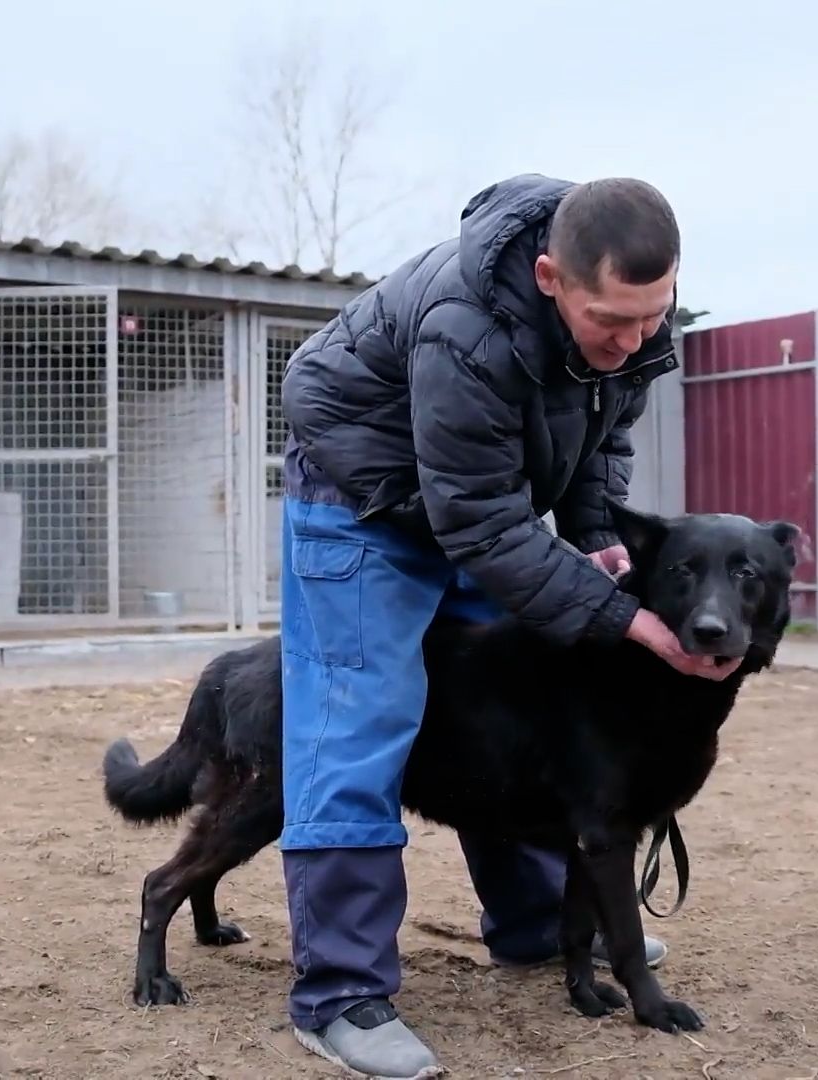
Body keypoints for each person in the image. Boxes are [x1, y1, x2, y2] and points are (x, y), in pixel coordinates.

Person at [276, 173, 730, 1078]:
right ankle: (340, 993)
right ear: (552, 277)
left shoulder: (630, 317)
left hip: (479, 501)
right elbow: (479, 524)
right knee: (362, 721)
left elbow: (605, 444)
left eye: (655, 317)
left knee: (512, 702)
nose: (637, 340)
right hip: (362, 497)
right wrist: (624, 618)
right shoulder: (465, 326)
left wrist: (603, 549)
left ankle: (531, 927)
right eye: (615, 320)